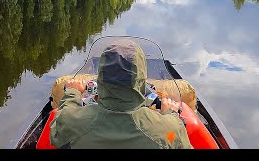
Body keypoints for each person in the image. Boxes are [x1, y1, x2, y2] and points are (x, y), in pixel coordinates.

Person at [49, 38, 193, 149]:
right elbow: (174, 139)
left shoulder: (71, 123)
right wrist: (170, 113)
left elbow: (58, 132)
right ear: (141, 80)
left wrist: (73, 93)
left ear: (101, 77)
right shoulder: (169, 131)